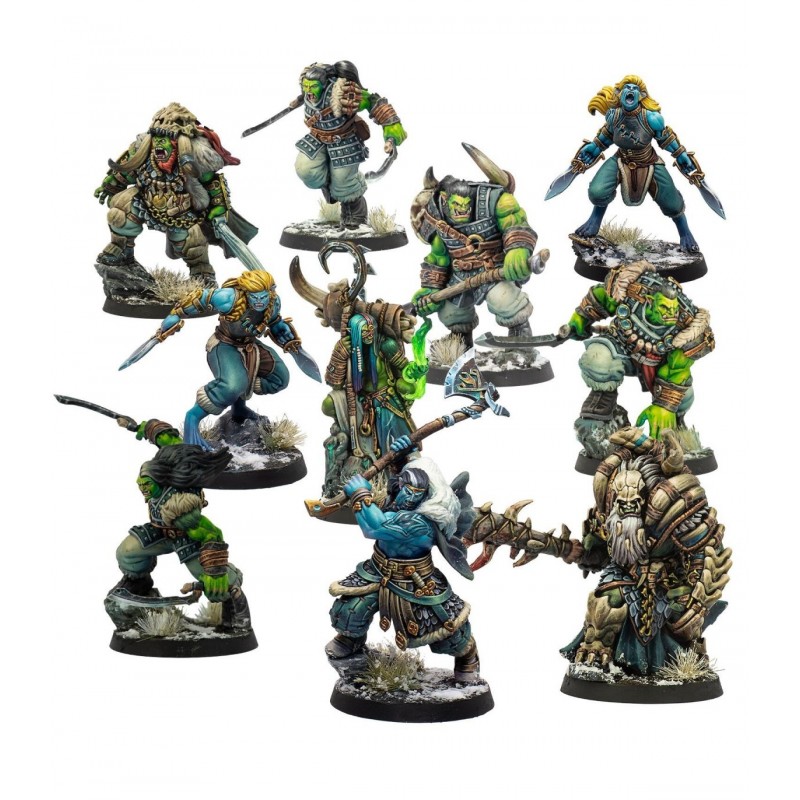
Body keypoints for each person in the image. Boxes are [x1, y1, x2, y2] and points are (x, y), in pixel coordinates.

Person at [326, 453, 481, 682]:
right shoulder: (392, 502)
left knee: (447, 630)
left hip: (416, 579)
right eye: (407, 489)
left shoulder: (421, 523)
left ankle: (468, 657)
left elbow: (375, 527)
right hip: (377, 570)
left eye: (417, 493)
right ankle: (351, 639)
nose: (410, 497)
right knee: (350, 611)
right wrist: (403, 452)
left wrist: (360, 493)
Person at [95, 102, 256, 285]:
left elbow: (212, 182)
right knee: (119, 211)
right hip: (145, 202)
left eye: (166, 138)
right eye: (157, 138)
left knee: (191, 242)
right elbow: (127, 172)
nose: (159, 143)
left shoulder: (195, 157)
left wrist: (219, 208)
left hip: (181, 212)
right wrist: (110, 185)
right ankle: (121, 250)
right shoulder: (145, 153)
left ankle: (201, 272)